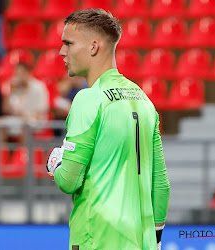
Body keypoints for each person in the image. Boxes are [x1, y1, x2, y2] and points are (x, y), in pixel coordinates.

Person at [46, 9, 170, 250]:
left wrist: (56, 162)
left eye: (68, 43)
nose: (62, 51)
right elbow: (161, 184)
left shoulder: (88, 99)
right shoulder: (144, 100)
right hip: (141, 242)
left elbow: (69, 181)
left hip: (97, 240)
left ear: (94, 47)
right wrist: (155, 240)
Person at [3, 63, 49, 142]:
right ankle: (0, 153)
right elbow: (5, 110)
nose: (18, 77)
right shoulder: (15, 88)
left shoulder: (39, 87)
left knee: (25, 125)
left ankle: (24, 153)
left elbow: (41, 112)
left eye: (20, 74)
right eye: (16, 74)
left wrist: (26, 116)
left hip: (35, 120)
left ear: (27, 73)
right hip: (17, 119)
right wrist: (10, 92)